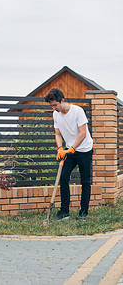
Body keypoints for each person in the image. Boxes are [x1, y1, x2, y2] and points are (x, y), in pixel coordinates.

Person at [45, 88, 93, 220]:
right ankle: (64, 212)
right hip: (68, 151)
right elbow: (58, 133)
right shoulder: (56, 114)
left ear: (62, 100)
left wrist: (72, 148)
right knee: (64, 178)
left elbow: (83, 134)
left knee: (85, 182)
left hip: (84, 150)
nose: (54, 108)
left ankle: (83, 213)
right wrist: (60, 148)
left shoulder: (78, 111)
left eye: (55, 105)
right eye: (52, 105)